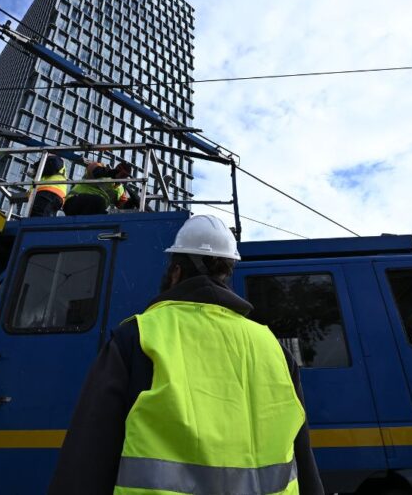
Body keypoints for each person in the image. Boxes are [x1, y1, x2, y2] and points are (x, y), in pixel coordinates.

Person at [49, 215, 323, 495]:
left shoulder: (137, 337)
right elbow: (303, 455)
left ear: (176, 272)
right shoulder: (272, 347)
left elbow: (88, 457)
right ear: (226, 272)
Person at [62, 161, 135, 216]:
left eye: (126, 176)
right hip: (74, 202)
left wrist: (132, 202)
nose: (124, 178)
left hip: (93, 209)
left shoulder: (120, 190)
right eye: (123, 174)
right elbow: (93, 168)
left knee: (106, 216)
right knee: (100, 202)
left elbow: (123, 207)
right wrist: (110, 173)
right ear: (117, 169)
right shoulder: (103, 171)